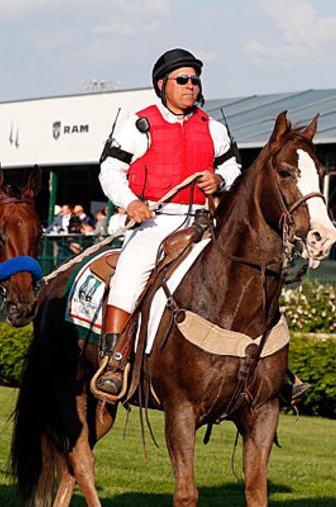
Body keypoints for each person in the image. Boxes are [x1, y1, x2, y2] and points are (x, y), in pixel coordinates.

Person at [94, 48, 242, 399]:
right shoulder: (137, 124)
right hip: (155, 222)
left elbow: (235, 168)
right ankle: (114, 363)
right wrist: (130, 202)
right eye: (183, 80)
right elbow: (110, 170)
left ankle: (271, 367)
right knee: (130, 275)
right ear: (162, 84)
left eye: (195, 80)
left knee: (246, 272)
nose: (191, 86)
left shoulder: (214, 128)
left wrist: (220, 180)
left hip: (205, 222)